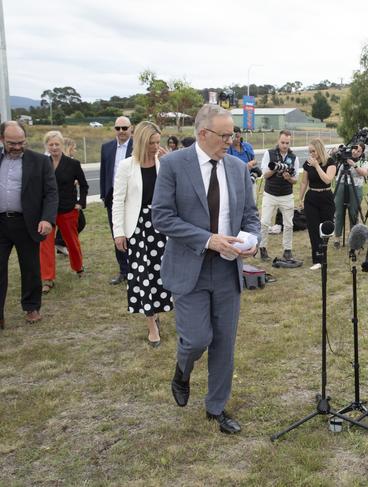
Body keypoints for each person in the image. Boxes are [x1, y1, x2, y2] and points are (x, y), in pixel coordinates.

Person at [152, 104, 260, 434]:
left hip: (228, 270)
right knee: (197, 339)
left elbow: (250, 216)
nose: (231, 140)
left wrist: (252, 238)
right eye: (225, 135)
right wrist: (208, 239)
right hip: (190, 267)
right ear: (203, 133)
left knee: (224, 342)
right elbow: (162, 216)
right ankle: (183, 370)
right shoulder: (173, 164)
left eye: (233, 134)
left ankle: (216, 407)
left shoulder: (238, 170)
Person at [112, 122, 172, 348]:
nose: (156, 147)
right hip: (136, 228)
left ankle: (158, 311)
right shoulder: (127, 166)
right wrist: (119, 232)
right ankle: (151, 325)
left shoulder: (163, 163)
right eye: (151, 143)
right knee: (141, 274)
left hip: (161, 227)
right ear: (141, 142)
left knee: (161, 272)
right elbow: (118, 200)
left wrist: (168, 161)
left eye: (158, 142)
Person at [0, 121, 58, 328]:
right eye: (11, 143)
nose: (16, 147)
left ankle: (32, 307)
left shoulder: (40, 161)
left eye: (20, 142)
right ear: (2, 140)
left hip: (27, 223)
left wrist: (47, 218)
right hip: (1, 224)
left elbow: (51, 193)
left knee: (31, 268)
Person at [39, 131, 88, 294]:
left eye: (57, 144)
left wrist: (80, 203)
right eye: (51, 144)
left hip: (68, 209)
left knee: (71, 241)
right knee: (45, 245)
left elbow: (84, 185)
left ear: (62, 145)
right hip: (47, 211)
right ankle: (47, 278)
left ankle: (78, 267)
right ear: (47, 146)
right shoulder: (42, 163)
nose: (54, 147)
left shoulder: (73, 164)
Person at [100, 116, 133, 285]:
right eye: (118, 128)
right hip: (113, 199)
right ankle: (123, 270)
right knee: (117, 235)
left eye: (124, 128)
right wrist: (103, 195)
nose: (121, 131)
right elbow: (104, 172)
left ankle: (135, 269)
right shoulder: (106, 148)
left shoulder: (137, 147)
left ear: (131, 128)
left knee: (132, 234)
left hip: (133, 199)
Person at [258, 130, 300, 262]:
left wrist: (288, 178)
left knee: (288, 224)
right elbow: (264, 174)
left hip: (287, 194)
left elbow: (296, 179)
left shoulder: (294, 157)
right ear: (278, 140)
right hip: (270, 193)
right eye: (282, 142)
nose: (285, 145)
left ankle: (287, 250)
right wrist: (275, 168)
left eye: (287, 143)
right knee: (265, 221)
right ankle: (262, 248)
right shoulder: (269, 154)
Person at [298, 138, 337, 270]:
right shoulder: (308, 164)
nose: (311, 154)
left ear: (319, 149)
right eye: (309, 151)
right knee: (313, 229)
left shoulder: (330, 162)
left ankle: (323, 254)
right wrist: (300, 198)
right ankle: (317, 258)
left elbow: (327, 180)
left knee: (326, 227)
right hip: (312, 198)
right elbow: (304, 182)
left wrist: (317, 166)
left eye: (313, 151)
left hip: (326, 197)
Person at [332, 143, 368, 247]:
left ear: (362, 153)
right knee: (339, 212)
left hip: (356, 187)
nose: (355, 152)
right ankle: (337, 238)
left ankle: (353, 239)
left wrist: (354, 164)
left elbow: (364, 173)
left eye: (359, 151)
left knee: (353, 213)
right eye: (354, 149)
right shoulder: (342, 158)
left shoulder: (363, 161)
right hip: (341, 185)